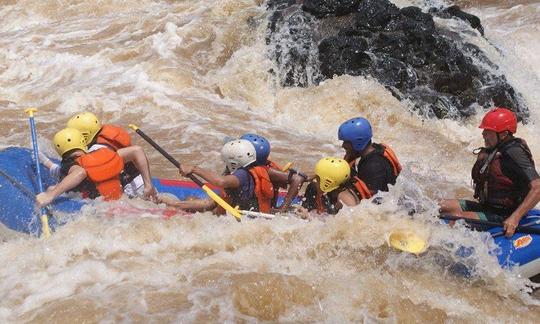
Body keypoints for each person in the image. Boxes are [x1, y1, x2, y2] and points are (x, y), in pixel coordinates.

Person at [439, 107, 540, 237]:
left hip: (504, 214)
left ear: (503, 134)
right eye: (484, 130)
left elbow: (537, 187)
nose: (483, 134)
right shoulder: (495, 148)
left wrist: (514, 218)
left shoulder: (514, 152)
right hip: (487, 208)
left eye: (488, 131)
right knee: (437, 206)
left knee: (457, 221)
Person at [161, 139, 275, 214]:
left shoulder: (242, 175)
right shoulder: (251, 171)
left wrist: (194, 169)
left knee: (189, 201)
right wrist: (176, 204)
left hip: (238, 220)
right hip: (243, 216)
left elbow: (220, 182)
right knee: (190, 200)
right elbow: (210, 203)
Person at [66, 111, 156, 200]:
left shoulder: (97, 150)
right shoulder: (106, 139)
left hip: (131, 189)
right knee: (159, 202)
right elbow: (137, 151)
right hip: (140, 182)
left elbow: (136, 150)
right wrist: (148, 184)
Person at [36, 128, 125, 207]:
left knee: (51, 188)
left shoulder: (70, 163)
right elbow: (135, 150)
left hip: (96, 206)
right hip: (118, 201)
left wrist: (50, 195)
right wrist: (46, 162)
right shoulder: (98, 155)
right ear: (83, 142)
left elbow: (80, 172)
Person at [240, 133, 308, 212]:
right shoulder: (243, 167)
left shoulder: (267, 171)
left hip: (264, 213)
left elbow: (297, 179)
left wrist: (283, 208)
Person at [338, 117, 401, 195]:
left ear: (358, 142)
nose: (343, 145)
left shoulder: (373, 168)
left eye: (346, 142)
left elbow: (375, 202)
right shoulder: (375, 148)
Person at [301, 157, 368, 214]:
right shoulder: (336, 188)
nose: (314, 181)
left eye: (317, 179)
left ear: (328, 183)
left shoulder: (345, 200)